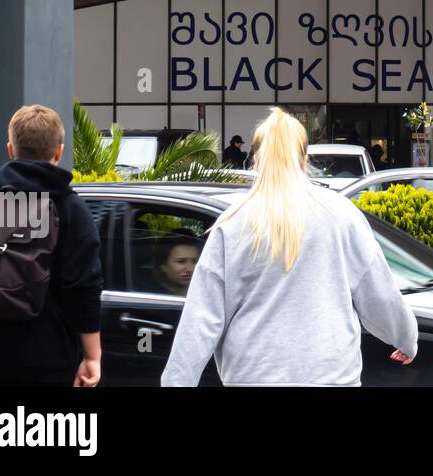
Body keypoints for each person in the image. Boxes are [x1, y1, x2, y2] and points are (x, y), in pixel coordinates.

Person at [161, 107, 419, 386]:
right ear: (305, 158)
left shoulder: (233, 222)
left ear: (255, 160)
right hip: (330, 375)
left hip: (254, 375)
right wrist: (405, 339)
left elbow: (202, 318)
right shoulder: (341, 214)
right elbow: (378, 293)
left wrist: (177, 381)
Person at [0, 105, 103, 387]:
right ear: (58, 152)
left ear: (10, 149)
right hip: (46, 356)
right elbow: (84, 286)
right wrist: (93, 356)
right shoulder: (70, 208)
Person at [144, 231, 202, 296]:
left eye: (195, 261)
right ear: (163, 265)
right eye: (181, 261)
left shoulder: (203, 291)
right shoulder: (149, 295)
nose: (190, 269)